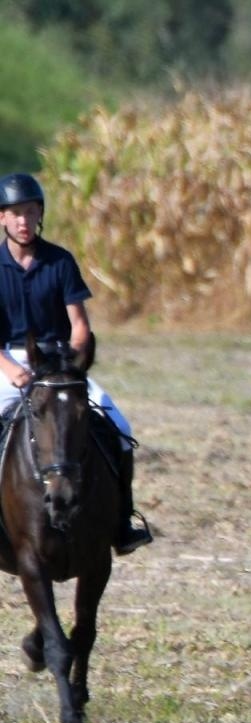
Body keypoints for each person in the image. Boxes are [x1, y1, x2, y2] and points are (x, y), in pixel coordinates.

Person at [0, 173, 150, 554]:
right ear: (2, 218)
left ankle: (123, 521)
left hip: (58, 361)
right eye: (15, 213)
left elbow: (80, 325)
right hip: (9, 360)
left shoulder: (60, 261)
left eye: (30, 212)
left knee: (118, 425)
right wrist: (10, 368)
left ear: (40, 215)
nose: (23, 221)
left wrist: (74, 359)